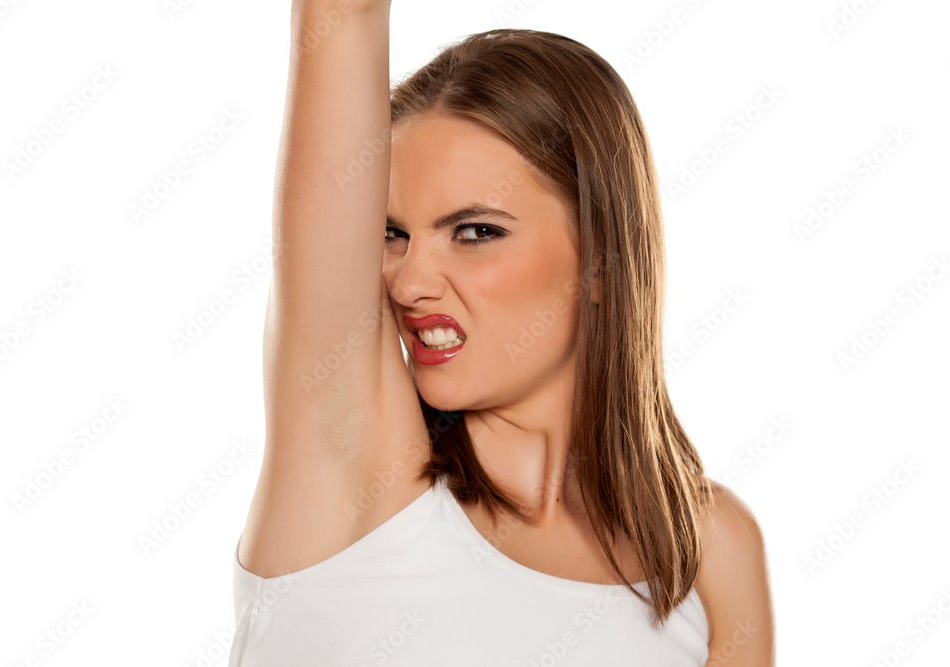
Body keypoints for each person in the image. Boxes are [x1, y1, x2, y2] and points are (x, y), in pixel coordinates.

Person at [229, 1, 774, 664]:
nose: (408, 282)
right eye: (391, 234)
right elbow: (342, 16)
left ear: (600, 259)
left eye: (475, 231)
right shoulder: (356, 469)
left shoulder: (709, 546)